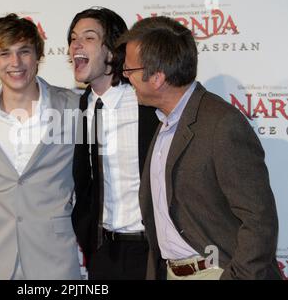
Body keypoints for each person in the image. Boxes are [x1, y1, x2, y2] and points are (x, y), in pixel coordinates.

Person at [120, 16, 282, 280]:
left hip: (216, 272)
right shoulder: (164, 122)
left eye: (130, 71)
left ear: (158, 77)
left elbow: (259, 220)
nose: (127, 79)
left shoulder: (221, 124)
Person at [0, 14, 81, 280]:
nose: (15, 63)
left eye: (24, 52)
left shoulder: (71, 107)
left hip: (54, 254)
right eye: (4, 53)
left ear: (38, 55)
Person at [68, 7, 159, 279]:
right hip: (103, 251)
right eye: (73, 38)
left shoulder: (145, 103)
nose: (76, 45)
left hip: (149, 252)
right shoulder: (83, 105)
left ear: (112, 51)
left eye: (89, 37)